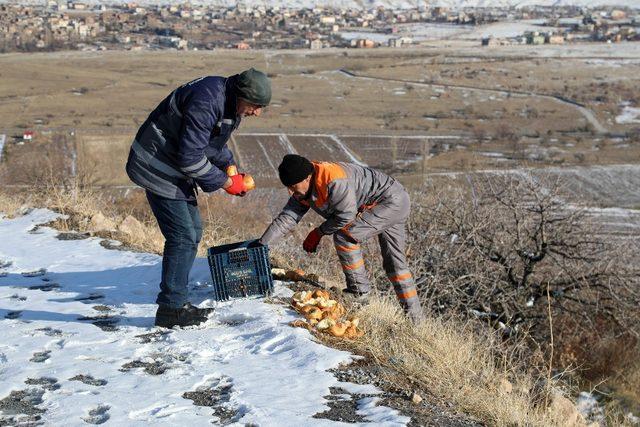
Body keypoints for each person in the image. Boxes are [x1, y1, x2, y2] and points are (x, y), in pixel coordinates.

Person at [126, 68, 271, 328]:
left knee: (192, 231)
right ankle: (171, 309)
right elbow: (191, 157)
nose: (257, 112)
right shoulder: (207, 101)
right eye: (255, 106)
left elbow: (210, 142)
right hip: (157, 165)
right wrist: (226, 183)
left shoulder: (227, 101)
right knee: (182, 235)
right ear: (241, 95)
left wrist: (228, 165)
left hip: (171, 165)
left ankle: (176, 300)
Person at [260, 154, 423, 322]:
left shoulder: (334, 180)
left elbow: (345, 216)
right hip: (394, 199)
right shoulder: (302, 190)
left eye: (293, 186)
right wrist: (261, 245)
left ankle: (359, 294)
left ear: (307, 178)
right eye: (288, 187)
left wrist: (318, 232)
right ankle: (416, 321)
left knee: (345, 236)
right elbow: (287, 218)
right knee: (395, 264)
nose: (291, 192)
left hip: (391, 201)